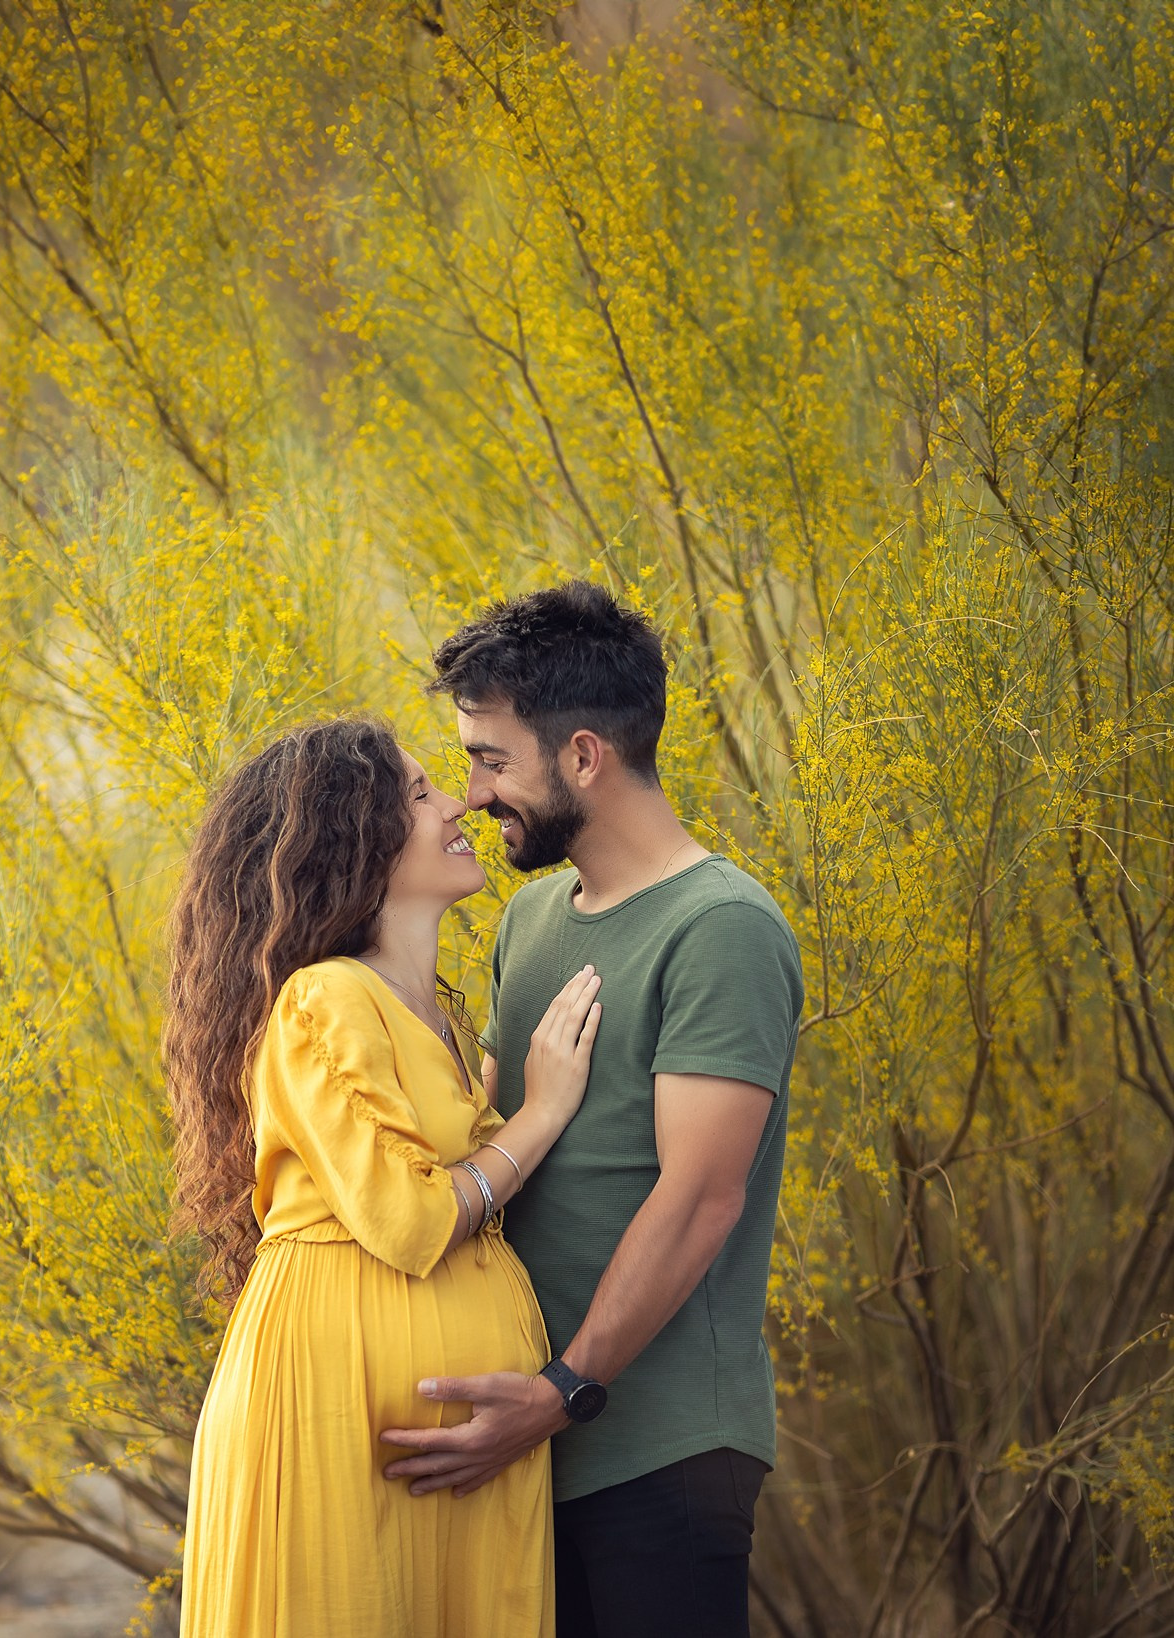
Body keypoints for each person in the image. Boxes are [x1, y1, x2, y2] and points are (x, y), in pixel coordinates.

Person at [380, 582, 805, 1638]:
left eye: (491, 758)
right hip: (526, 1449)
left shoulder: (721, 927)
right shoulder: (529, 917)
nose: (475, 794)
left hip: (658, 1450)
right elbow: (491, 1142)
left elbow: (702, 1196)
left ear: (582, 757)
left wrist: (563, 1388)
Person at [166, 718, 603, 1638]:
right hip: (336, 1416)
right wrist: (543, 1112)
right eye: (418, 793)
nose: (457, 804)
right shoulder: (323, 997)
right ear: (352, 835)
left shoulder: (429, 1019)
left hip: (439, 1452)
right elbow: (409, 1218)